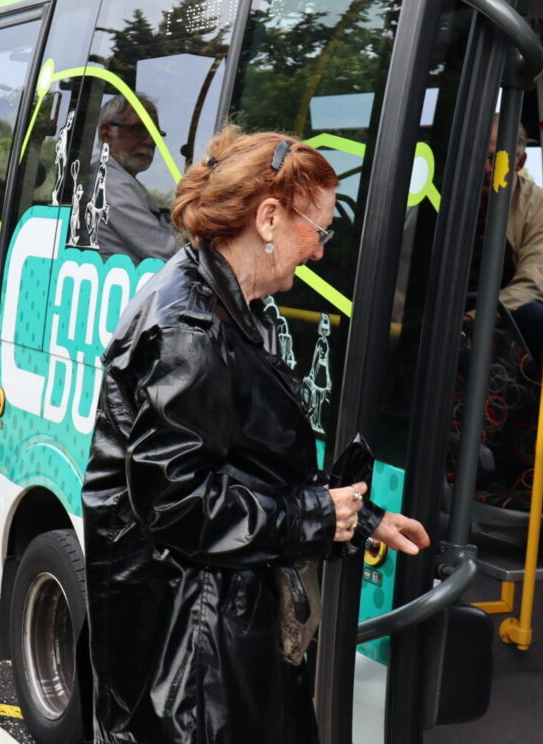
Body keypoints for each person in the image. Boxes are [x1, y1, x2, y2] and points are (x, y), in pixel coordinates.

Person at [80, 127, 432, 743]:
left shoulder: (222, 303)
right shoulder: (191, 326)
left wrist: (359, 515)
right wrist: (316, 516)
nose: (320, 251)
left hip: (214, 631)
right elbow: (179, 503)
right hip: (191, 659)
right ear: (269, 217)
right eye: (318, 230)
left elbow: (250, 464)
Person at [471, 118, 543, 348]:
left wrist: (473, 319)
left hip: (506, 313)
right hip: (448, 307)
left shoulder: (542, 206)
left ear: (519, 162)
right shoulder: (442, 199)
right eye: (479, 156)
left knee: (536, 317)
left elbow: (533, 283)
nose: (487, 169)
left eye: (496, 160)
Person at [94, 93, 178, 259]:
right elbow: (168, 252)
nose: (150, 141)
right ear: (106, 134)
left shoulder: (121, 179)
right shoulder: (110, 183)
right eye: (139, 130)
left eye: (154, 133)